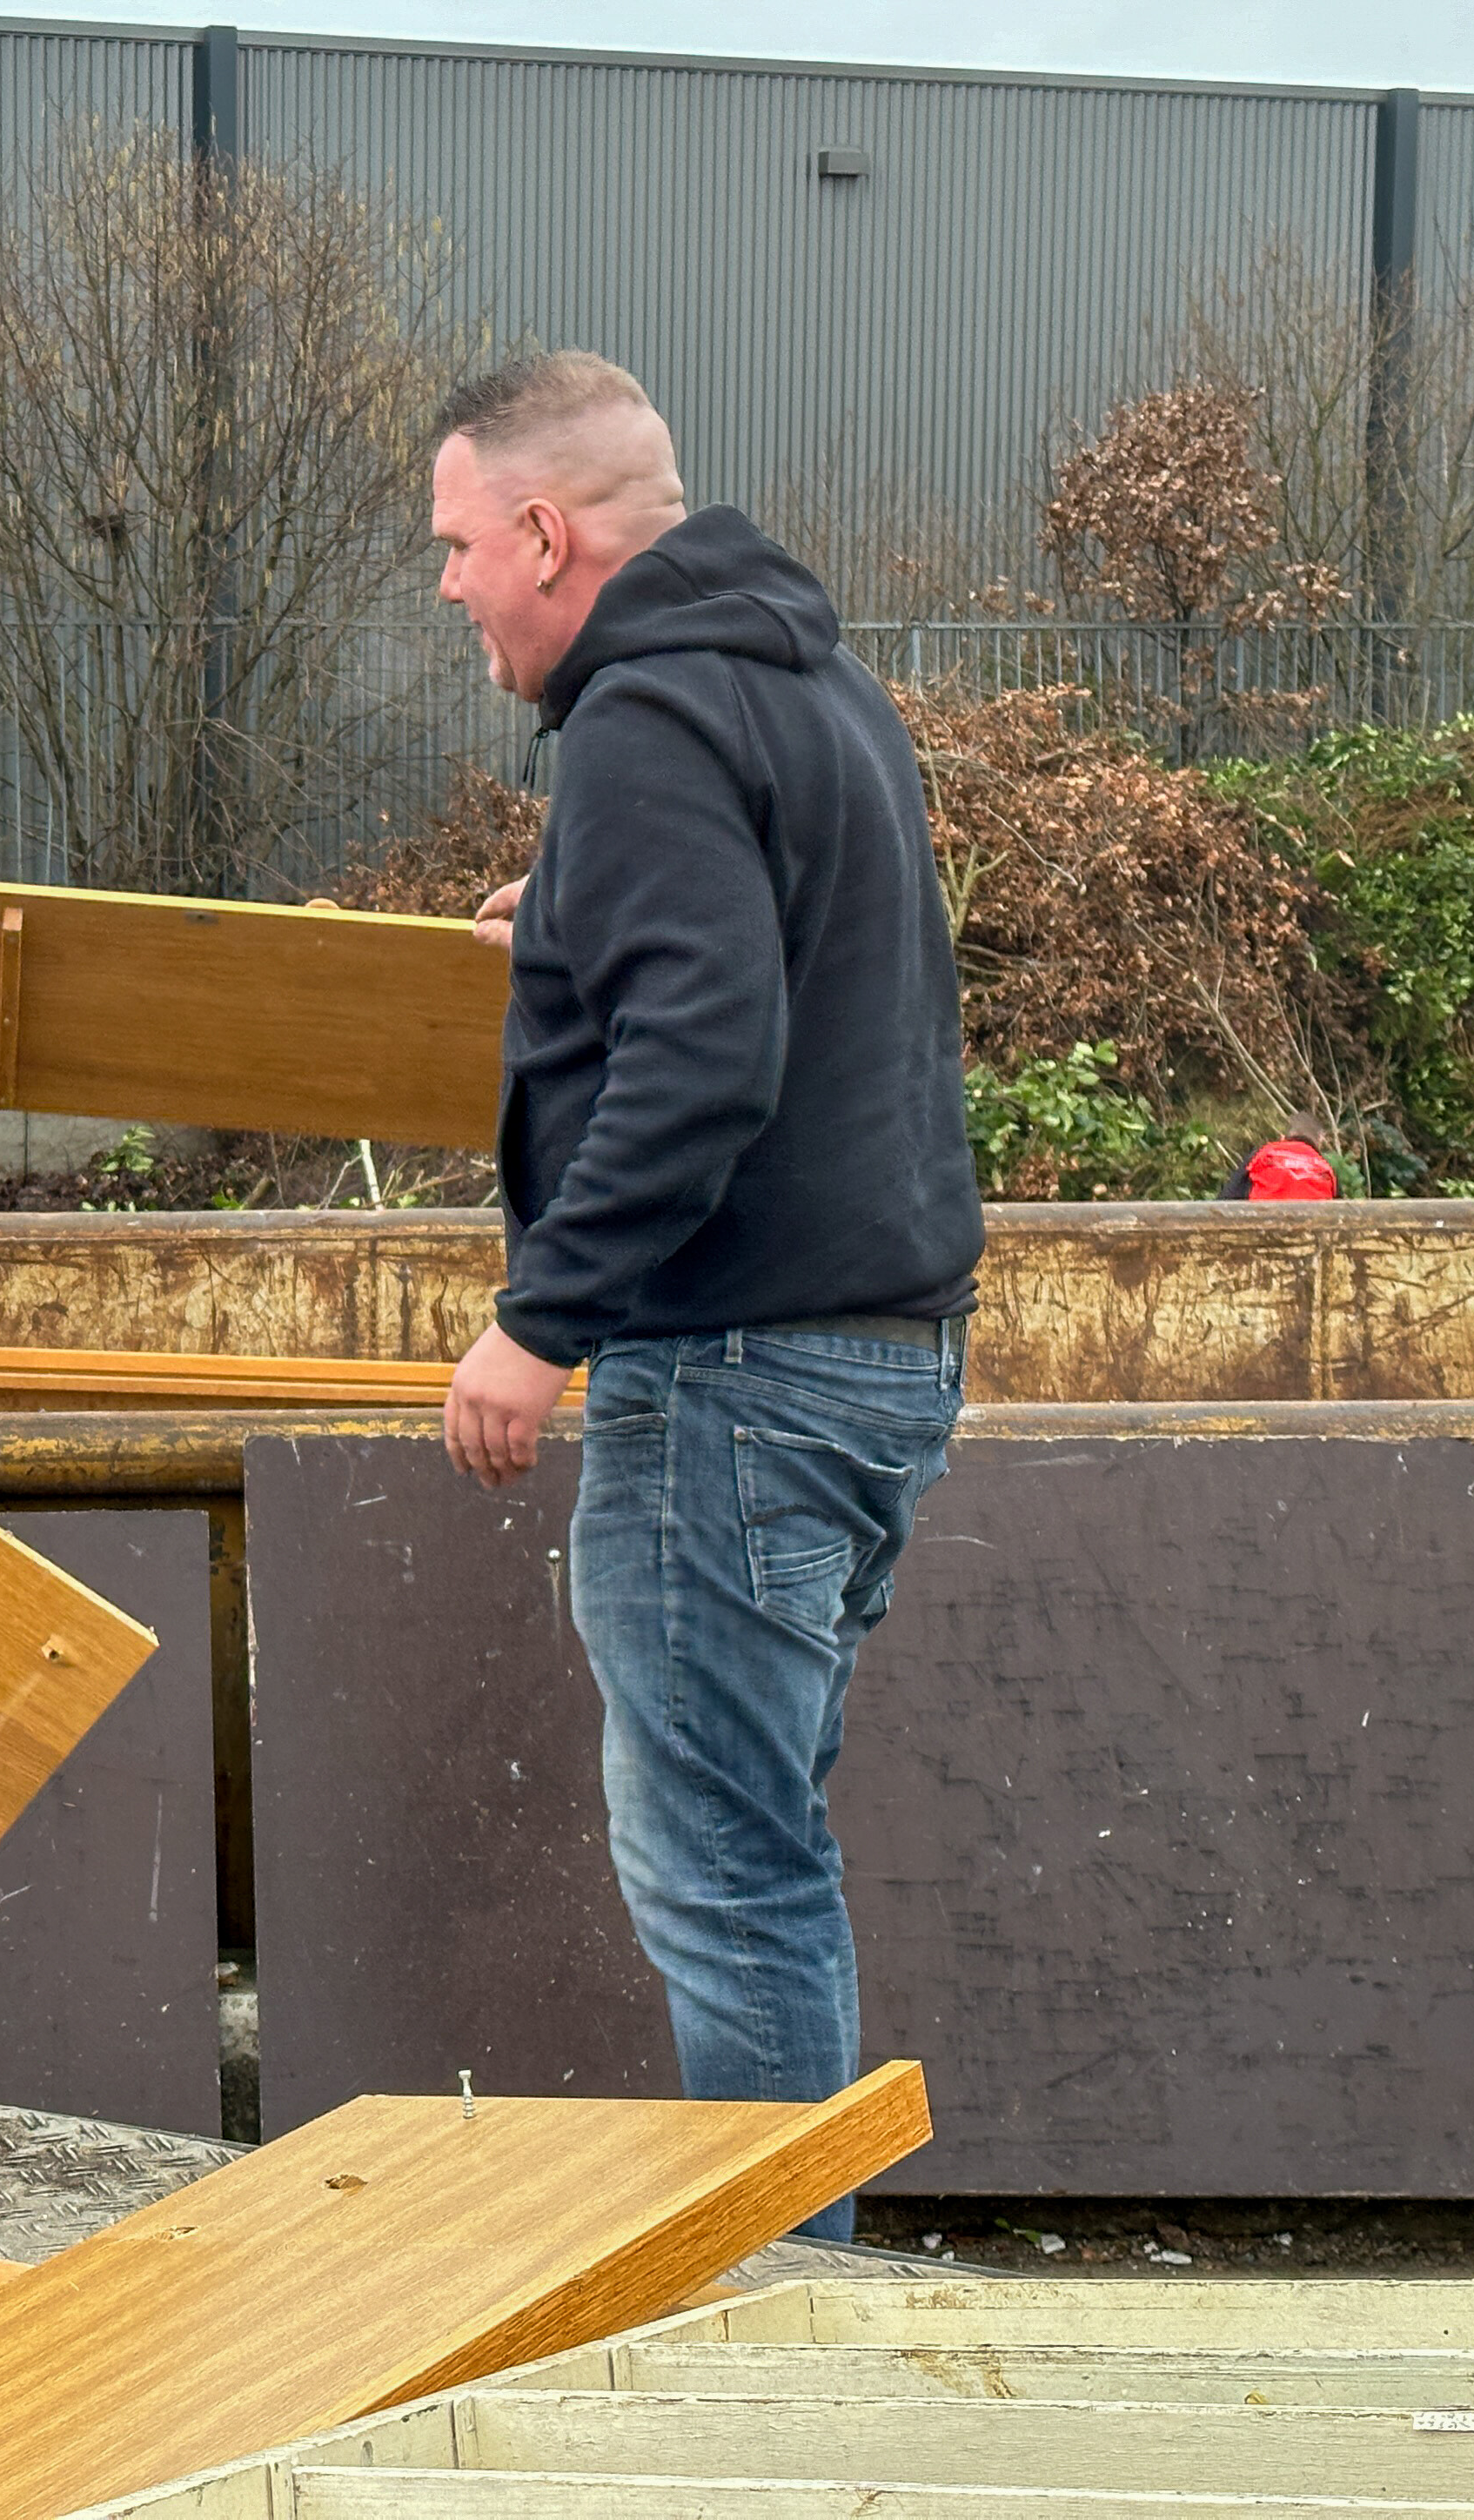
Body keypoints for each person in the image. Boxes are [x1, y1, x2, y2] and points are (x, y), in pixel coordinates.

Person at [430, 352, 982, 2238]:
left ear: (543, 531)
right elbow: (793, 962)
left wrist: (538, 1319)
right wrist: (574, 903)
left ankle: (786, 2316)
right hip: (879, 1362)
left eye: (455, 545)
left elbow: (706, 1054)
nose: (448, 588)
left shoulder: (647, 722)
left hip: (732, 1379)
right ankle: (799, 2276)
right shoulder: (815, 687)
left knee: (727, 1881)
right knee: (768, 1853)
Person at [1222, 1116, 1342, 1200]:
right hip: (1311, 1233)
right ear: (1319, 1141)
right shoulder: (1326, 1168)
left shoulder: (1263, 1153)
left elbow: (1227, 1197)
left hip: (1263, 1230)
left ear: (1282, 1137)